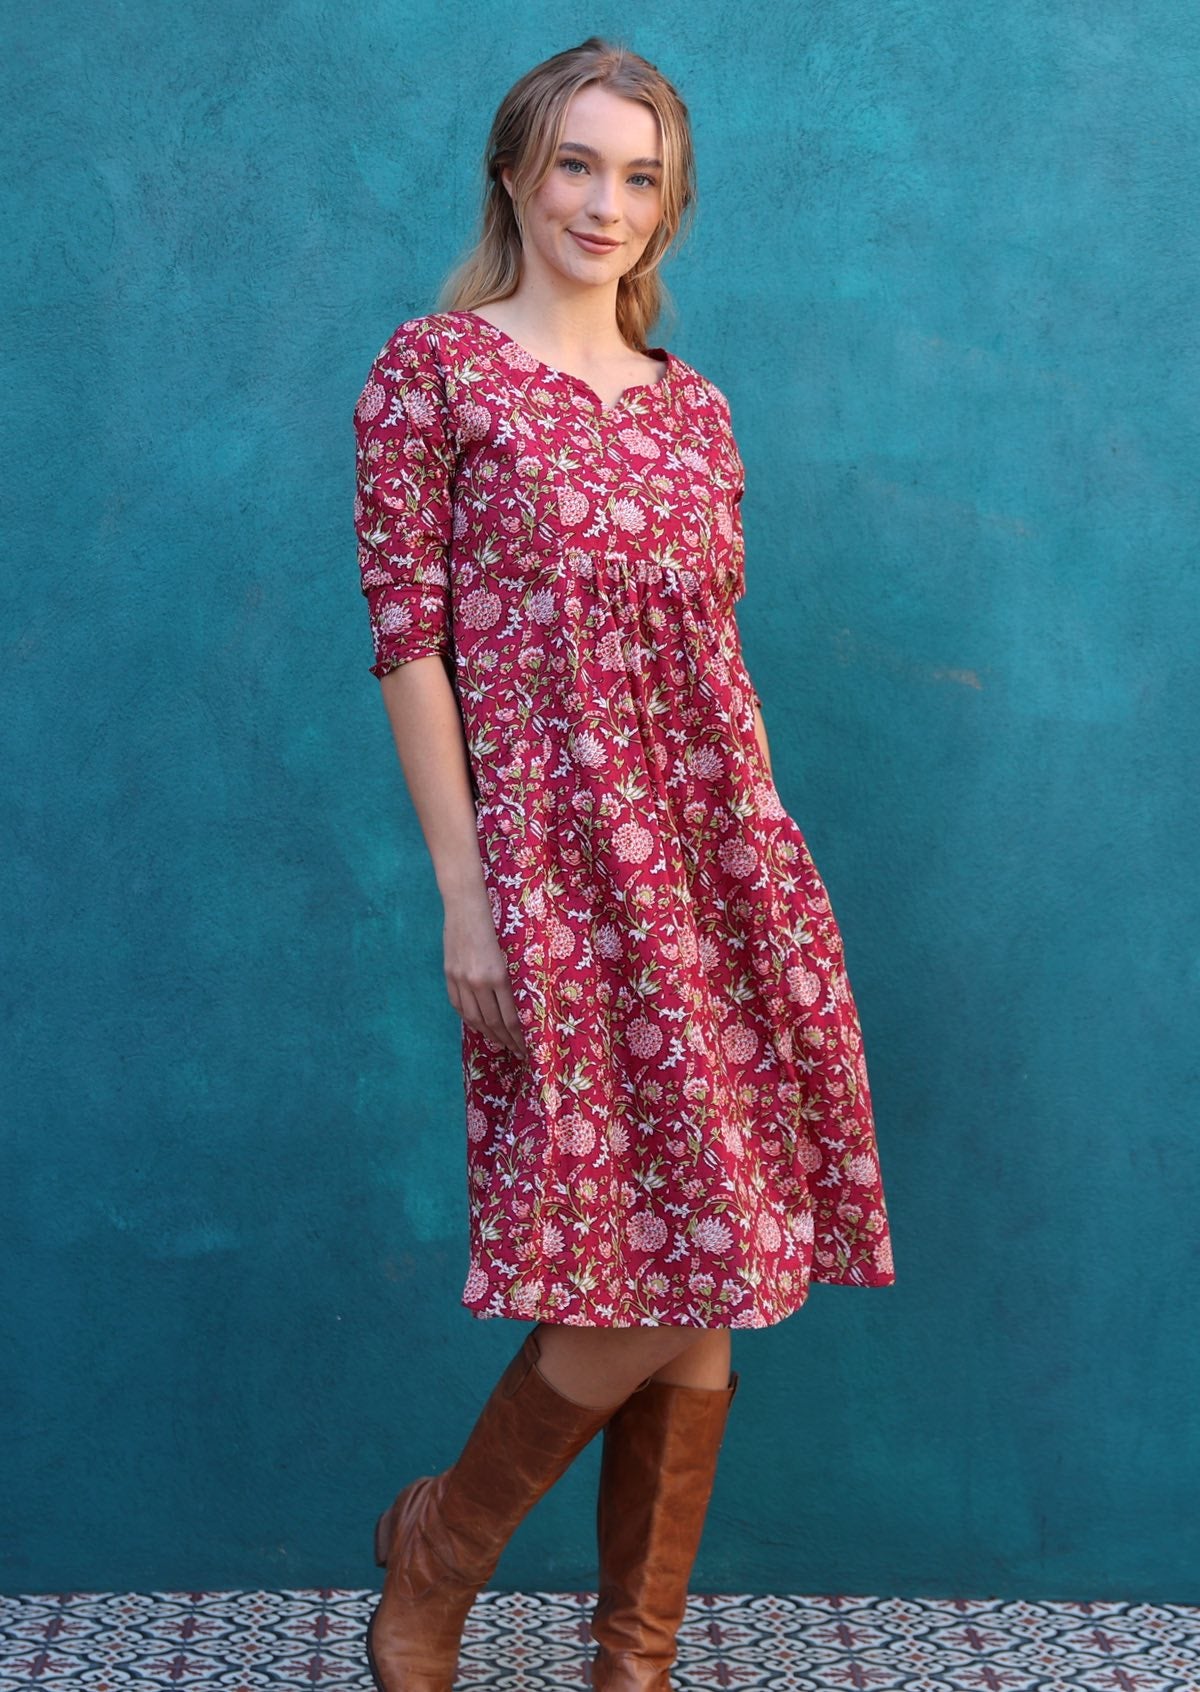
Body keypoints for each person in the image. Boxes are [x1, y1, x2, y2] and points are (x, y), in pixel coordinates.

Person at [352, 36, 896, 1692]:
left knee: (713, 1247)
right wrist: (467, 892)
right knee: (659, 1249)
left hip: (725, 858)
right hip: (555, 865)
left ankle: (632, 1658)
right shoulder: (435, 374)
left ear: (670, 206)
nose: (606, 203)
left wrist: (771, 855)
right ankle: (444, 1552)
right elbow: (411, 644)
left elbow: (713, 656)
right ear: (515, 173)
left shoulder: (696, 410)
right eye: (578, 164)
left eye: (640, 177)